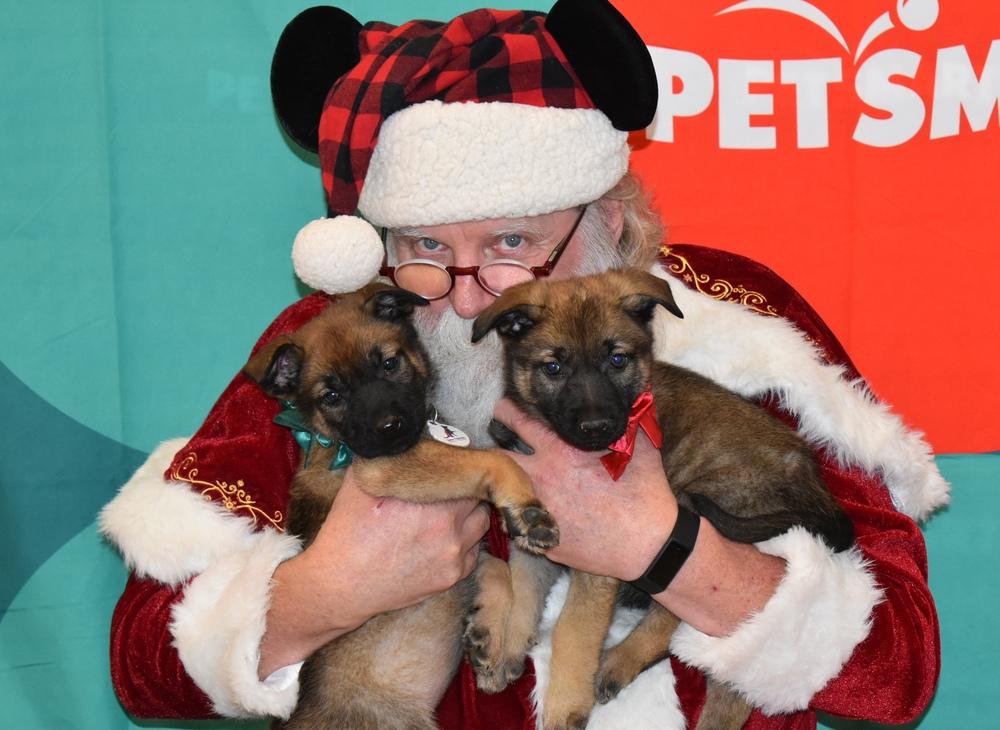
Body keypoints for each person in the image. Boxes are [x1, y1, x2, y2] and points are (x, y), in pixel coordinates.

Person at [99, 2, 947, 728]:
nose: (471, 298)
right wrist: (326, 590)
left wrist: (664, 549)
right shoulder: (341, 348)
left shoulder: (738, 319)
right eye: (426, 247)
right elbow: (144, 662)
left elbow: (899, 668)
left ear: (607, 220)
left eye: (512, 242)